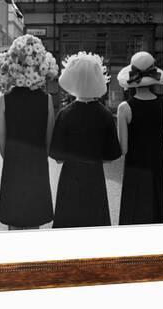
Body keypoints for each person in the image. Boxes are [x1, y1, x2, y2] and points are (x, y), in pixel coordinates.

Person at [50, 52, 122, 229]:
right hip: (94, 177)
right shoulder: (105, 115)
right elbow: (111, 154)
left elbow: (57, 156)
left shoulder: (65, 114)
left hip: (70, 177)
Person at [0, 35, 58, 230]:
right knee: (34, 218)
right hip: (37, 160)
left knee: (14, 219)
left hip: (13, 161)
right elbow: (50, 136)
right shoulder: (46, 99)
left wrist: (11, 155)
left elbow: (1, 138)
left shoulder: (6, 99)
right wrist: (41, 154)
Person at [117, 51, 163, 225]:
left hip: (135, 168)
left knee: (135, 215)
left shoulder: (125, 108)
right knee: (159, 212)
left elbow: (123, 149)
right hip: (157, 166)